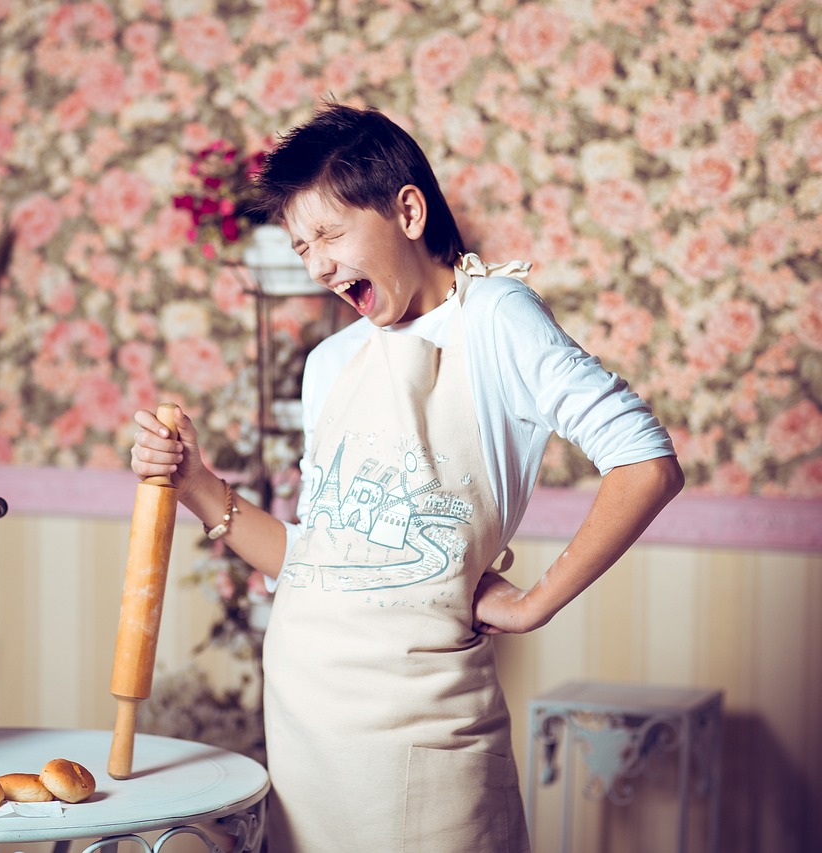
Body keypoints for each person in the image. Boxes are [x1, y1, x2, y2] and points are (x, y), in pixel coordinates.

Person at [130, 102, 683, 852]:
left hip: (423, 733)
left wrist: (535, 603)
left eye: (330, 233)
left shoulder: (493, 316)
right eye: (301, 247)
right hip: (306, 732)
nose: (319, 264)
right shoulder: (330, 365)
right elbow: (317, 559)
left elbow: (645, 460)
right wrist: (195, 482)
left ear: (409, 211)